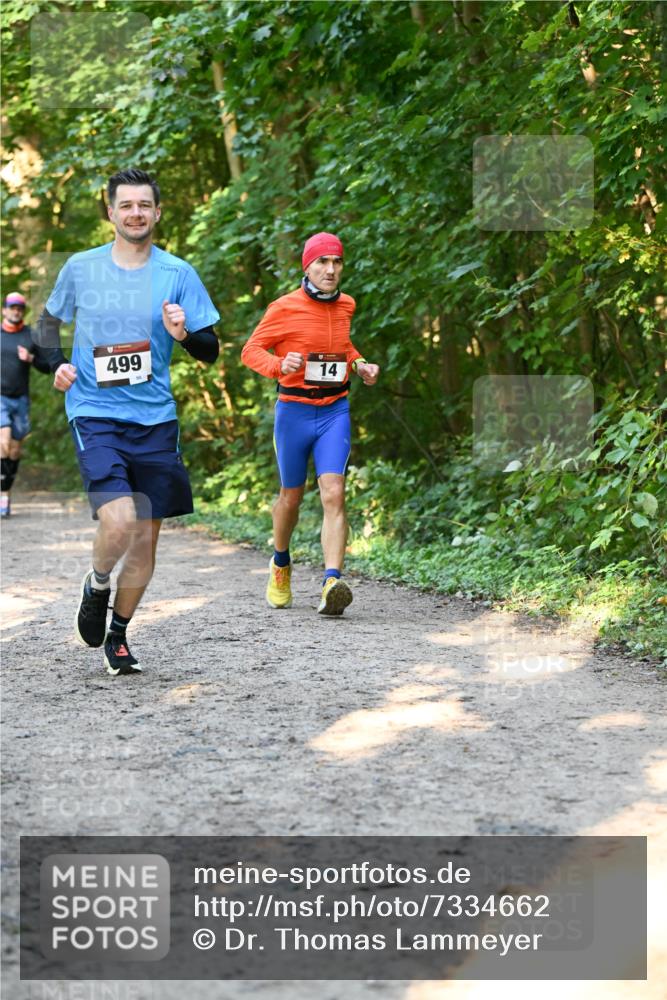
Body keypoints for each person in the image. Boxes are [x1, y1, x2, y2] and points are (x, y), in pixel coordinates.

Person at [37, 168, 220, 676]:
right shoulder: (80, 267)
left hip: (156, 420)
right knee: (119, 520)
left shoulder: (178, 273)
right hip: (95, 412)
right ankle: (96, 584)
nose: (135, 213)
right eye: (126, 205)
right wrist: (58, 365)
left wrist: (183, 334)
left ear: (157, 213)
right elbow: (46, 323)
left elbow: (211, 350)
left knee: (145, 538)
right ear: (111, 212)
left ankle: (118, 635)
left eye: (145, 205)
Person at [241, 232, 379, 616]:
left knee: (334, 492)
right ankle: (281, 563)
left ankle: (331, 581)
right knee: (292, 497)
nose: (331, 270)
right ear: (308, 266)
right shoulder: (283, 307)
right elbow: (250, 350)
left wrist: (359, 364)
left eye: (336, 262)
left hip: (335, 410)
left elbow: (344, 348)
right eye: (322, 262)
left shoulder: (346, 305)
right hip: (294, 412)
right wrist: (276, 365)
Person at [1, 292, 51, 516]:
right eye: (12, 307)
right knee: (3, 440)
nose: (16, 311)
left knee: (14, 450)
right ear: (4, 310)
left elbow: (47, 366)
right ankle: (1, 496)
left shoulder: (30, 336)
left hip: (21, 399)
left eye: (20, 308)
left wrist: (31, 359)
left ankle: (6, 492)